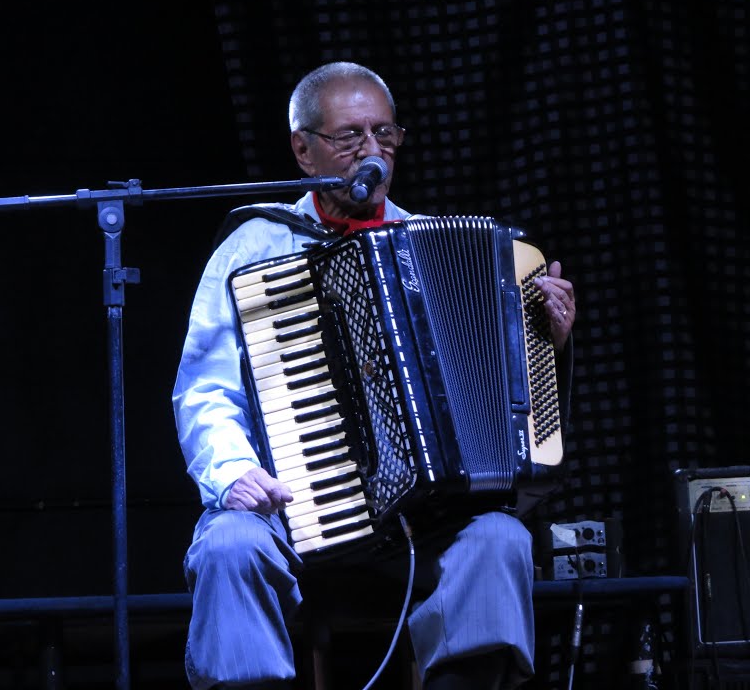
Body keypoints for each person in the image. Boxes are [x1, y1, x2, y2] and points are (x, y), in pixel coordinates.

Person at [173, 61, 576, 690]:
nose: (372, 151)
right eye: (349, 136)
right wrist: (233, 474)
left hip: (420, 518)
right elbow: (204, 388)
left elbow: (511, 402)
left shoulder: (426, 244)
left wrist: (547, 341)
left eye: (384, 134)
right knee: (227, 545)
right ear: (302, 151)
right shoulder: (256, 247)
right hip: (285, 511)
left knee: (499, 537)